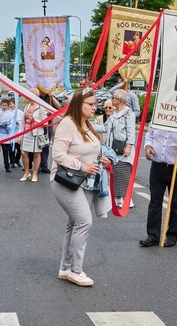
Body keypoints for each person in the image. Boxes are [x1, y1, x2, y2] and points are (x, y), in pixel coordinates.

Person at [50, 88, 111, 287]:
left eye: (95, 104)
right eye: (91, 104)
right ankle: (76, 270)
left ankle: (65, 268)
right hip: (66, 180)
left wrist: (103, 159)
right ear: (79, 105)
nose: (96, 107)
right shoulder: (67, 124)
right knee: (84, 222)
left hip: (85, 182)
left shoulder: (88, 124)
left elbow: (93, 148)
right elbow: (58, 155)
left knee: (74, 224)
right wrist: (82, 166)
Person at [140, 128, 177, 248]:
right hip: (157, 166)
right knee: (155, 202)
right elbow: (149, 135)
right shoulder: (159, 117)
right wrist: (148, 147)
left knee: (176, 203)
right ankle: (153, 235)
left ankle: (172, 236)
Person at [105, 89, 136, 208]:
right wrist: (87, 124)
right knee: (114, 173)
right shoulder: (113, 114)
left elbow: (131, 132)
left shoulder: (128, 113)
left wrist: (128, 146)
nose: (111, 99)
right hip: (112, 148)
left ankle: (125, 198)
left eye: (113, 98)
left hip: (123, 150)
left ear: (118, 101)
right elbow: (105, 127)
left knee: (122, 173)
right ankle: (117, 198)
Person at [19, 89, 48, 182]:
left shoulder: (41, 107)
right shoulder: (27, 106)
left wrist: (34, 120)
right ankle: (27, 172)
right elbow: (22, 122)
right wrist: (20, 135)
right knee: (23, 152)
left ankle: (35, 173)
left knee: (36, 154)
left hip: (36, 134)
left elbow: (45, 122)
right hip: (26, 132)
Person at [38, 88, 61, 174]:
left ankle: (44, 165)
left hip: (48, 124)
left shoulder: (50, 98)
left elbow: (58, 106)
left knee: (46, 145)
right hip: (38, 124)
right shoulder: (37, 96)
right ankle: (37, 165)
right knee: (38, 145)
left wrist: (51, 95)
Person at [9, 97, 23, 168]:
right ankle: (11, 161)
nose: (10, 105)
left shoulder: (20, 112)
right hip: (11, 133)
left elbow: (22, 122)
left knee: (19, 149)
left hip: (18, 133)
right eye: (9, 104)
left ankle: (17, 160)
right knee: (12, 149)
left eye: (11, 104)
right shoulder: (8, 113)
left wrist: (18, 122)